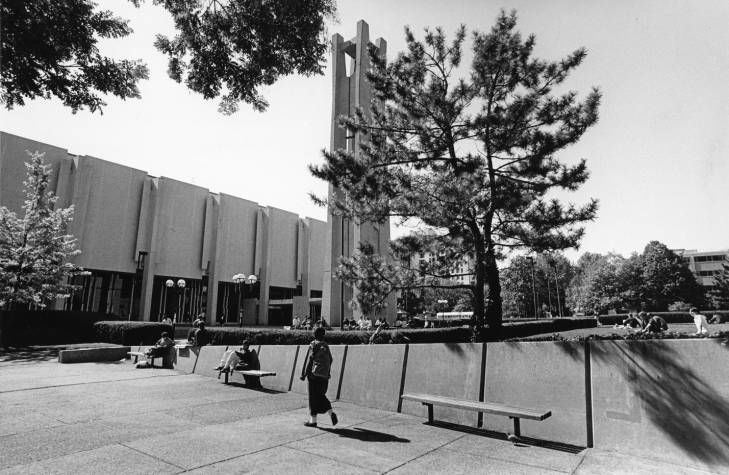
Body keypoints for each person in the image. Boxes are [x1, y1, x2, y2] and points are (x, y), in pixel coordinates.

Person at [300, 327, 337, 427]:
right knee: (321, 396)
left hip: (314, 375)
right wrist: (327, 373)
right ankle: (331, 413)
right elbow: (331, 360)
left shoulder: (313, 344)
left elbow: (310, 359)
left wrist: (305, 374)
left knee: (313, 397)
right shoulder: (326, 346)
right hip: (324, 376)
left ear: (315, 335)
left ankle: (313, 421)